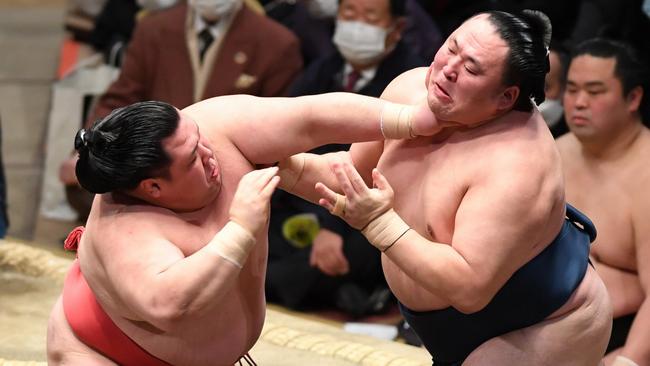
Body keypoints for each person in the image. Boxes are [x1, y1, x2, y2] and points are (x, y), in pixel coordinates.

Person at [277, 10, 613, 365]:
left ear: (505, 97)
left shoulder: (517, 164)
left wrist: (377, 223)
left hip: (542, 322)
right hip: (436, 324)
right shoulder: (409, 89)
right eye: (451, 47)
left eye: (471, 68)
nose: (448, 68)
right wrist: (278, 164)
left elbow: (469, 288)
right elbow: (350, 179)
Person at [45, 94, 438, 365]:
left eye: (198, 138)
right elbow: (170, 304)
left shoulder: (214, 126)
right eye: (192, 159)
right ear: (154, 189)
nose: (210, 153)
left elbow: (311, 117)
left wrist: (408, 120)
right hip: (106, 355)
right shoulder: (124, 230)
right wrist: (240, 227)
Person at [58, 0, 303, 222]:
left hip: (227, 176)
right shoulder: (153, 29)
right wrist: (92, 152)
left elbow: (281, 130)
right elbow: (121, 96)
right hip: (155, 164)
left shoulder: (276, 43)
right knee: (95, 184)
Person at [265, 0, 426, 317]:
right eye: (349, 14)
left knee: (353, 253)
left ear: (396, 29)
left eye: (369, 16)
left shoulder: (410, 82)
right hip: (306, 194)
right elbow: (285, 126)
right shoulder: (325, 68)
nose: (357, 24)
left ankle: (344, 288)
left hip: (366, 205)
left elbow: (385, 170)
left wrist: (332, 227)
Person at [556, 38, 650, 366]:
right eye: (571, 89)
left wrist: (629, 361)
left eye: (595, 92)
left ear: (633, 97)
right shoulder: (553, 152)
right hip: (544, 326)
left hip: (627, 338)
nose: (579, 102)